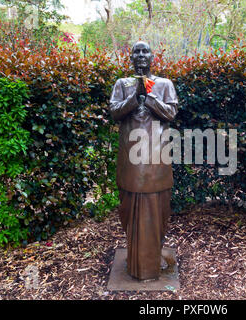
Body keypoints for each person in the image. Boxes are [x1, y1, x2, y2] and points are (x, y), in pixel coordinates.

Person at [109, 41, 178, 281]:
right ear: (130, 57)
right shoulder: (121, 84)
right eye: (136, 51)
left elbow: (171, 113)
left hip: (157, 159)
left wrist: (148, 97)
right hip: (131, 161)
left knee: (158, 209)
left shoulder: (165, 84)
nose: (140, 55)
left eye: (144, 51)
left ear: (152, 56)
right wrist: (133, 98)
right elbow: (114, 113)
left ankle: (152, 257)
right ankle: (135, 258)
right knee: (128, 209)